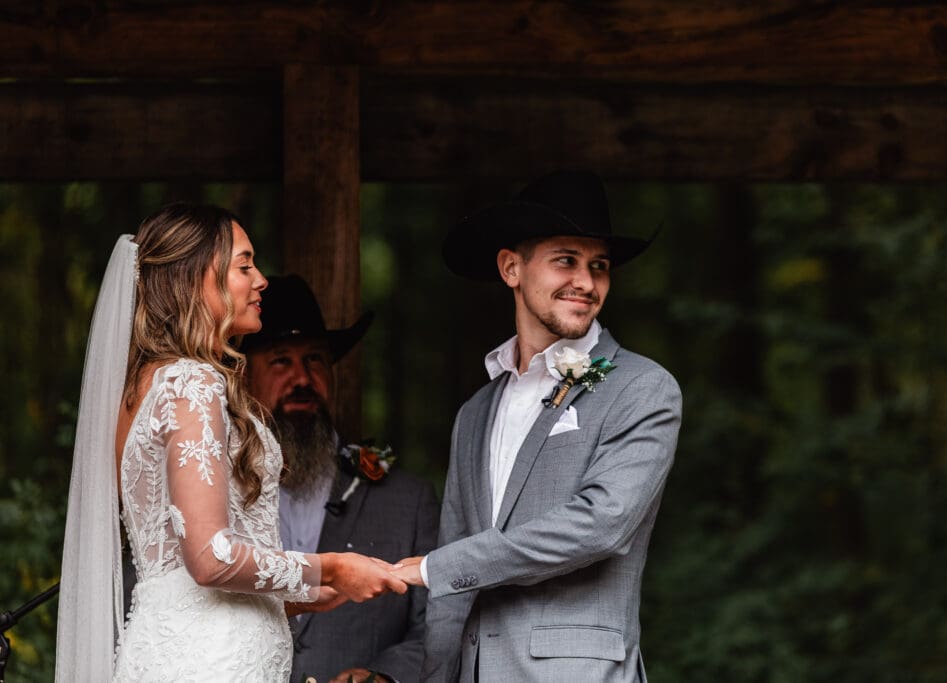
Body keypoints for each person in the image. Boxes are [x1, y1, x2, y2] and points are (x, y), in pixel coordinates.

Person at [55, 203, 406, 682]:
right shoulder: (192, 382)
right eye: (244, 265)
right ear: (196, 278)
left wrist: (299, 596)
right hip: (211, 663)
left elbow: (180, 572)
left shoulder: (142, 388)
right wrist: (330, 567)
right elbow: (209, 557)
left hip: (180, 650)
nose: (261, 280)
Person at [391, 171, 683, 682]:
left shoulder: (643, 387)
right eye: (566, 260)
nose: (587, 283)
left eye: (599, 266)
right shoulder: (475, 412)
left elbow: (600, 524)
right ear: (511, 268)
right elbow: (454, 555)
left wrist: (437, 568)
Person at [241, 275, 440, 683]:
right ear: (243, 376)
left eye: (314, 359)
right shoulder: (211, 492)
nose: (301, 378)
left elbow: (439, 624)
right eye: (281, 361)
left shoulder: (408, 500)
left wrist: (383, 676)